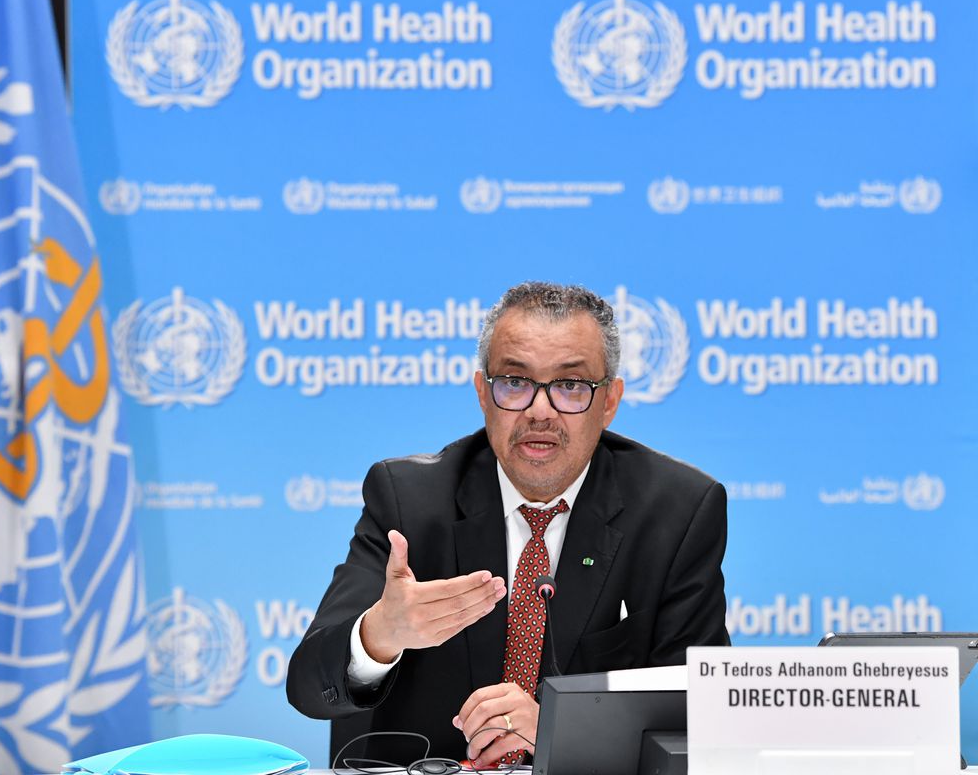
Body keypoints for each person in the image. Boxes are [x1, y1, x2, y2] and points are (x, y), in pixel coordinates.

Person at [286, 282, 729, 766]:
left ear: (609, 401)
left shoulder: (676, 512)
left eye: (570, 385)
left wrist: (562, 734)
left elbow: (697, 723)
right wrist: (378, 636)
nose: (540, 411)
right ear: (483, 393)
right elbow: (307, 686)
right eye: (515, 382)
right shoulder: (408, 501)